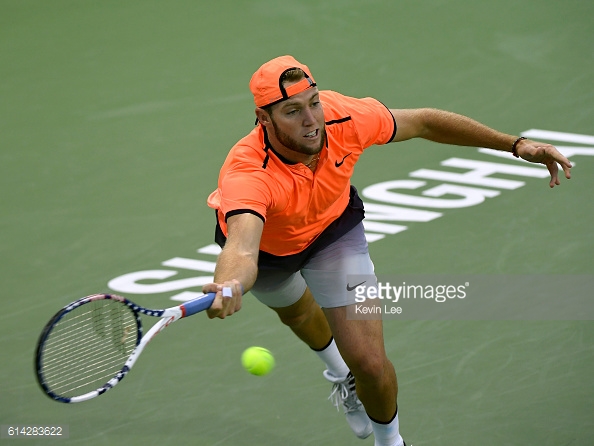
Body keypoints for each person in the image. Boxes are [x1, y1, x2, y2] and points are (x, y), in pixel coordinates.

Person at [202, 55, 572, 446]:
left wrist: (517, 145)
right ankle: (337, 371)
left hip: (332, 232)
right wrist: (229, 285)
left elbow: (425, 122)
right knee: (297, 313)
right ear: (264, 118)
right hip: (270, 254)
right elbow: (243, 248)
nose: (311, 119)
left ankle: (391, 442)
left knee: (371, 364)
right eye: (292, 111)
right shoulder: (248, 171)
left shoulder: (345, 118)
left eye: (313, 102)